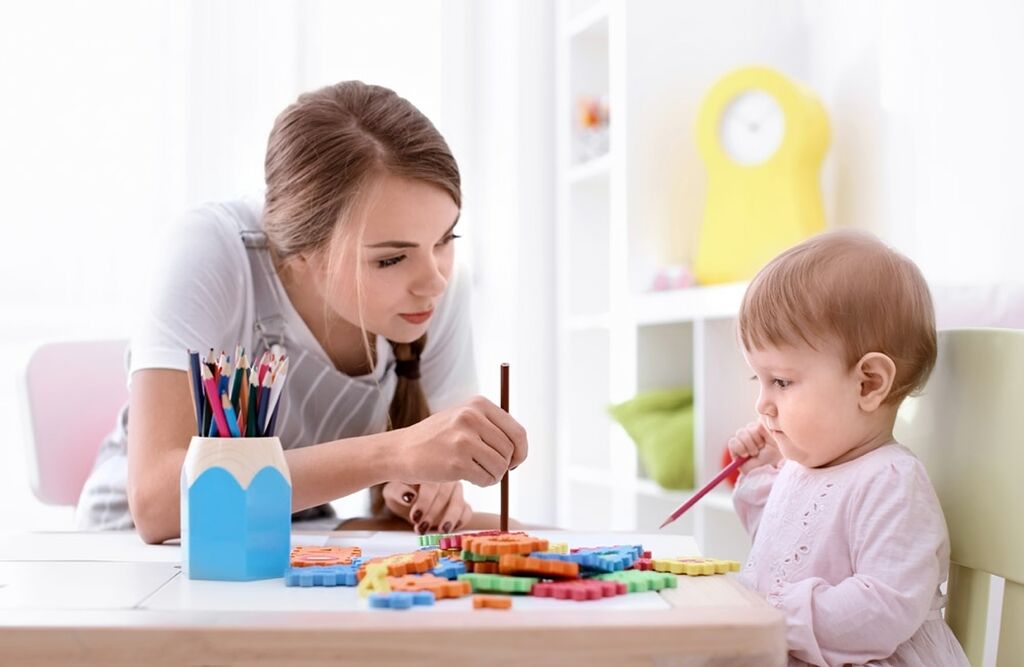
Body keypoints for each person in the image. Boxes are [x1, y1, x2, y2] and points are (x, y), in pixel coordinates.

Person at [76, 81, 528, 544]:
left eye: (446, 239)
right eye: (390, 259)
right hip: (137, 549)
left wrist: (432, 491)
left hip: (291, 539)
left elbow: (428, 480)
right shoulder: (210, 250)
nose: (434, 278)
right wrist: (394, 453)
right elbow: (157, 502)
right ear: (300, 258)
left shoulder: (433, 291)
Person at [728, 230, 969, 666]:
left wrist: (774, 616)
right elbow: (781, 552)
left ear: (868, 383)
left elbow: (882, 608)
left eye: (780, 381)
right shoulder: (804, 468)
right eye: (758, 380)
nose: (762, 403)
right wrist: (762, 474)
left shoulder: (891, 481)